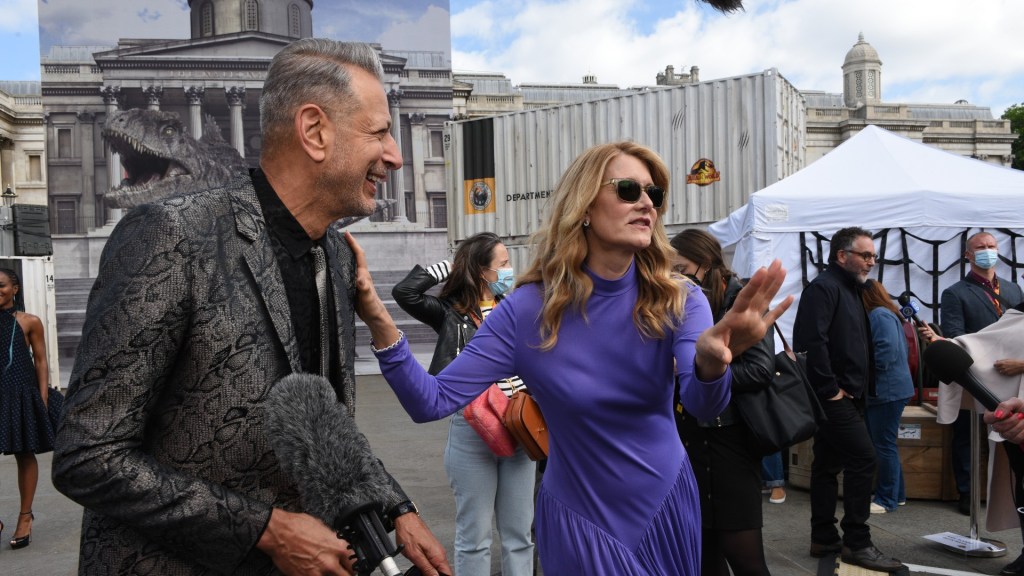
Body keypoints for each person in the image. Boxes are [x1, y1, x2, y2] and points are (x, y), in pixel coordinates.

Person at [51, 39, 451, 576]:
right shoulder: (171, 235)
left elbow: (323, 422)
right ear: (314, 131)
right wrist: (267, 529)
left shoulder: (332, 252)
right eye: (379, 132)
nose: (396, 155)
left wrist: (396, 507)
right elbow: (88, 456)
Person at [350, 140, 792, 574]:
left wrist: (714, 363)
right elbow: (429, 400)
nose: (646, 203)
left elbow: (701, 404)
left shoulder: (680, 298)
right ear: (583, 206)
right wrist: (377, 317)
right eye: (627, 190)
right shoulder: (526, 311)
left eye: (653, 193)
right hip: (580, 520)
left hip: (664, 505)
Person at [392, 232, 536, 575]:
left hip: (520, 425)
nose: (510, 271)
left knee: (520, 535)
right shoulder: (450, 314)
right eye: (503, 265)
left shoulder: (517, 308)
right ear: (482, 271)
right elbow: (405, 292)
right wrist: (453, 266)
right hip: (473, 426)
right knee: (475, 535)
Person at [793, 226, 903, 572]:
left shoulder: (852, 289)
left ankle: (824, 537)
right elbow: (812, 341)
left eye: (873, 256)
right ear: (843, 256)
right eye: (865, 255)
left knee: (827, 465)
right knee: (864, 459)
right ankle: (857, 542)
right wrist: (830, 389)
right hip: (834, 396)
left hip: (852, 395)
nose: (871, 262)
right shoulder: (824, 288)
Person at [669, 228, 777, 576]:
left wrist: (706, 371)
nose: (676, 278)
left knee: (746, 558)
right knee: (702, 558)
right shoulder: (678, 304)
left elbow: (761, 369)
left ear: (704, 264)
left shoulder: (740, 299)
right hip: (689, 445)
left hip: (731, 445)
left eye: (681, 269)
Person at [940, 231, 1024, 516]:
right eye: (980, 247)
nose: (987, 251)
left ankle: (1002, 497)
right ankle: (967, 491)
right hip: (977, 376)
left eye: (991, 246)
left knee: (1007, 440)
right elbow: (955, 336)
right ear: (968, 255)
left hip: (1013, 376)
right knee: (966, 436)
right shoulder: (955, 293)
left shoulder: (1013, 291)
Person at [946, 300, 1024, 575]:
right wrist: (948, 345)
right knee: (1021, 480)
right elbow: (985, 344)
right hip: (1015, 413)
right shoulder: (1018, 310)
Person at [0, 268, 51, 550]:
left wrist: (42, 397)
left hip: (20, 394)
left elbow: (41, 360)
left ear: (15, 289)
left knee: (24, 452)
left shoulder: (29, 321)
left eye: (1, 285)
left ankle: (25, 516)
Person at [860, 279, 915, 514]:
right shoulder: (887, 313)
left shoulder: (878, 315)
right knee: (886, 444)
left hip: (887, 390)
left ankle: (886, 499)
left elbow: (886, 352)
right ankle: (896, 494)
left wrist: (863, 372)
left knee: (883, 445)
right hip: (892, 388)